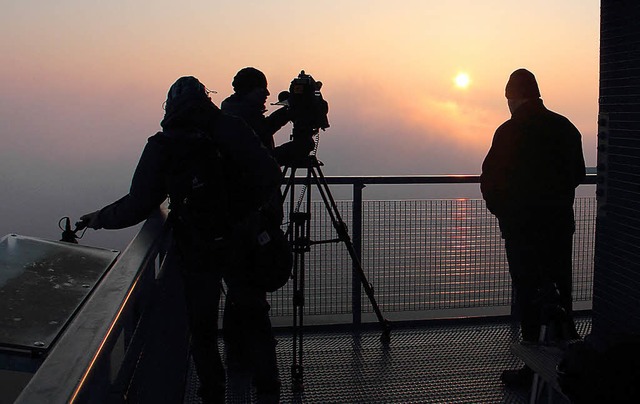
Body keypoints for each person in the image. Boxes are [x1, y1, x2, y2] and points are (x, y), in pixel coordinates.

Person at [78, 76, 283, 403]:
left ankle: (212, 392)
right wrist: (251, 217)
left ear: (171, 106)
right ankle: (268, 388)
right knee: (253, 312)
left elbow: (139, 203)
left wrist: (99, 218)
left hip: (197, 246)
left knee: (202, 327)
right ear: (206, 99)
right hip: (241, 243)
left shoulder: (165, 144)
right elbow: (270, 174)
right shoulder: (231, 128)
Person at [480, 68, 586, 387]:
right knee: (559, 293)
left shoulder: (509, 131)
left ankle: (532, 370)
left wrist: (505, 215)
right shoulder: (565, 127)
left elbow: (490, 181)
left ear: (513, 97)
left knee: (529, 297)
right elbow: (578, 174)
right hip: (557, 228)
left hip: (522, 232)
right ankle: (568, 365)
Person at [221, 67, 314, 166]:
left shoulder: (236, 111)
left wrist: (288, 112)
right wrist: (298, 147)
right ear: (249, 90)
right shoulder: (240, 118)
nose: (267, 93)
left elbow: (264, 128)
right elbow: (260, 161)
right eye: (262, 89)